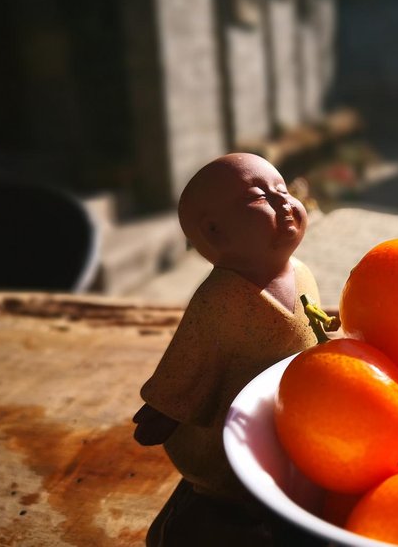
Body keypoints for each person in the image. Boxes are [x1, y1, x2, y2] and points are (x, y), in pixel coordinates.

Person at [133, 153, 324, 546]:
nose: (283, 203)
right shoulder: (219, 297)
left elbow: (315, 328)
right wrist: (165, 409)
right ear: (215, 232)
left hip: (290, 411)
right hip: (230, 423)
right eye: (260, 198)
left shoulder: (301, 272)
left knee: (292, 464)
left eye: (284, 189)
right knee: (233, 477)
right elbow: (190, 357)